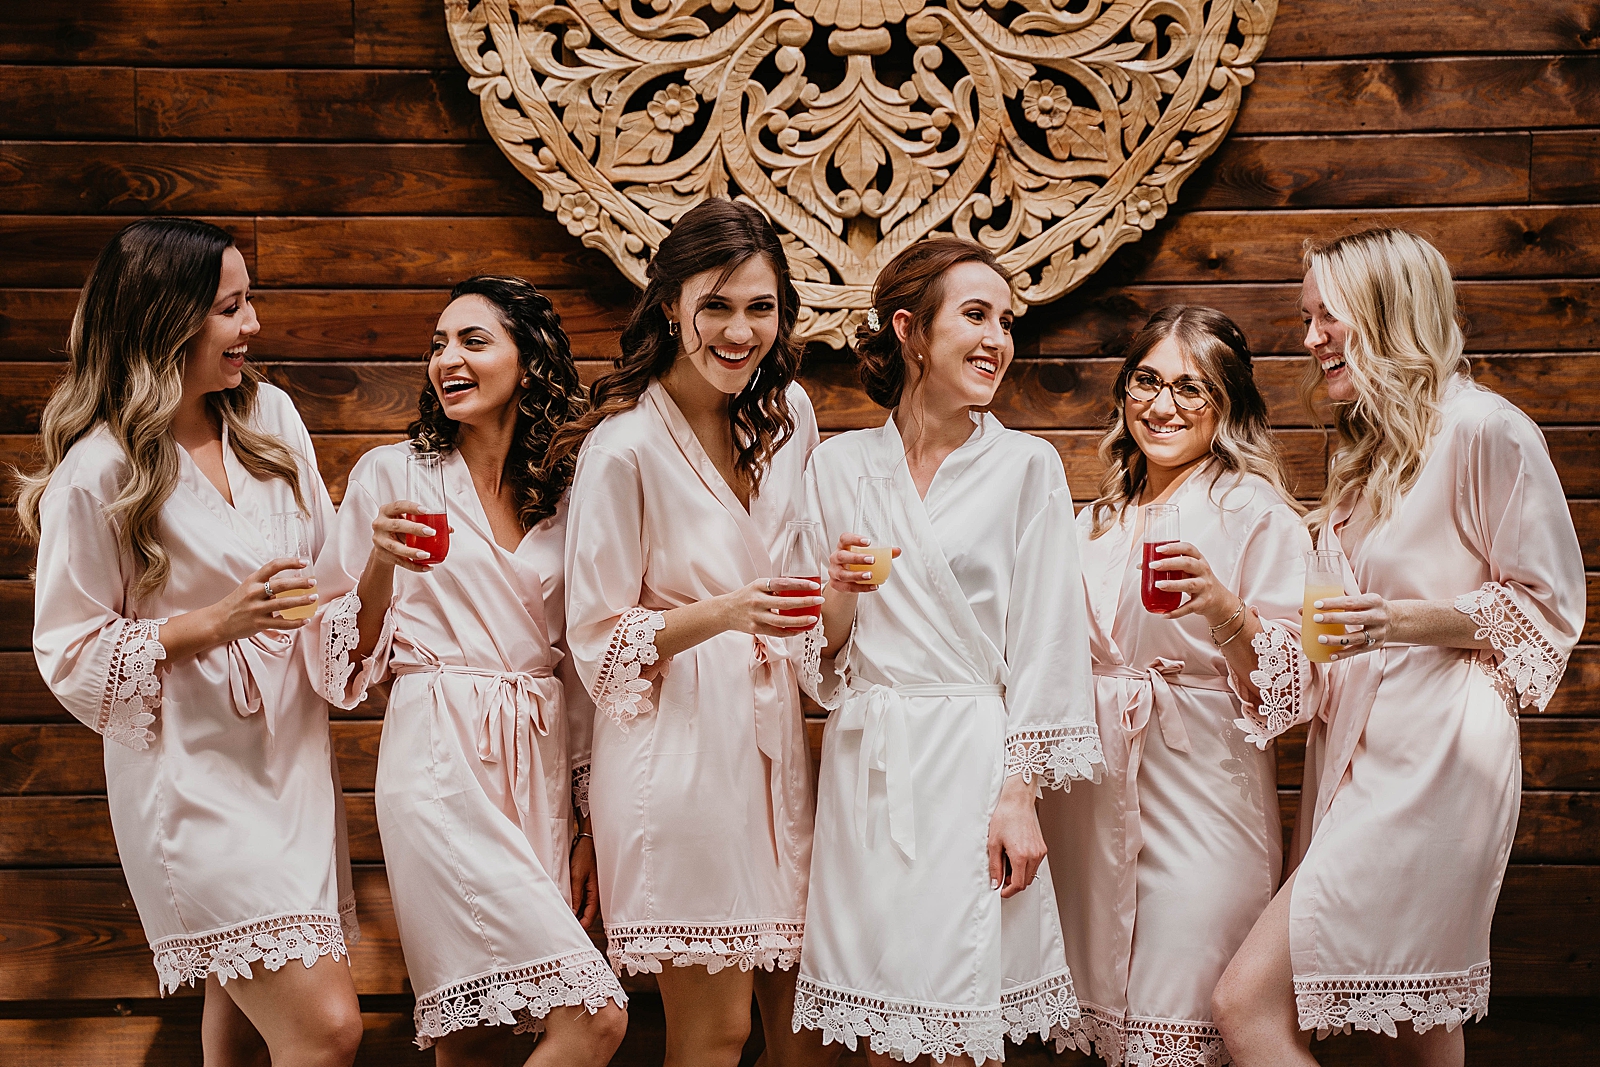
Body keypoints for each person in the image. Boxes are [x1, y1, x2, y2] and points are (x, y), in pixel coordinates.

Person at [1212, 228, 1586, 1067]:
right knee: (1417, 1023)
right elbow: (1326, 631)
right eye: (1306, 318)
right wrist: (1229, 614)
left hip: (1439, 758)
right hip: (1355, 756)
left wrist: (1399, 620)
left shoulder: (1489, 429)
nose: (1310, 339)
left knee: (1248, 1004)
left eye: (1327, 317)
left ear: (1388, 311)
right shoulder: (1362, 445)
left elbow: (1548, 607)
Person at [21, 217, 363, 1066]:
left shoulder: (271, 418)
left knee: (241, 1036)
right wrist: (217, 621)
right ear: (164, 319)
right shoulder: (97, 472)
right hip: (194, 784)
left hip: (291, 766)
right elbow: (67, 648)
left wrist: (377, 560)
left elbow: (327, 571)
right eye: (230, 308)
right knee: (325, 1028)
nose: (253, 326)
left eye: (249, 303)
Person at [792, 237, 1098, 1065]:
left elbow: (1048, 643)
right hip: (869, 764)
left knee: (961, 1023)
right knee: (881, 1034)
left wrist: (1020, 794)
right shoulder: (839, 465)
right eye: (975, 314)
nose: (998, 337)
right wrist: (843, 593)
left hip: (971, 763)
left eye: (1006, 320)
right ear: (910, 330)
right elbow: (825, 662)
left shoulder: (1027, 467)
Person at [310, 276, 628, 1064]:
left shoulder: (572, 489)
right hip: (438, 750)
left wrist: (587, 821)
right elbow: (338, 660)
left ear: (530, 361)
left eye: (472, 341)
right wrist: (380, 564)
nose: (446, 359)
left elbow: (583, 662)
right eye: (437, 345)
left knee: (474, 1033)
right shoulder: (393, 475)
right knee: (593, 1016)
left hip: (539, 757)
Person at [552, 199, 827, 1067]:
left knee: (805, 1032)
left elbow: (809, 569)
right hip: (675, 754)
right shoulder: (623, 448)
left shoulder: (789, 415)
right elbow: (596, 638)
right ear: (670, 304)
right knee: (717, 1033)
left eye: (760, 307)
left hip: (775, 747)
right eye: (716, 306)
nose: (739, 331)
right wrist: (725, 612)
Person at [1036, 306, 1312, 1065]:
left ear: (1227, 403)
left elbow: (1296, 691)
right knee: (1111, 1024)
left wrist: (1227, 609)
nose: (1162, 406)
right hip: (1093, 800)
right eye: (1147, 381)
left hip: (1204, 791)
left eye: (1191, 389)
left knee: (1182, 1018)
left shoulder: (1258, 512)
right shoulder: (1096, 519)